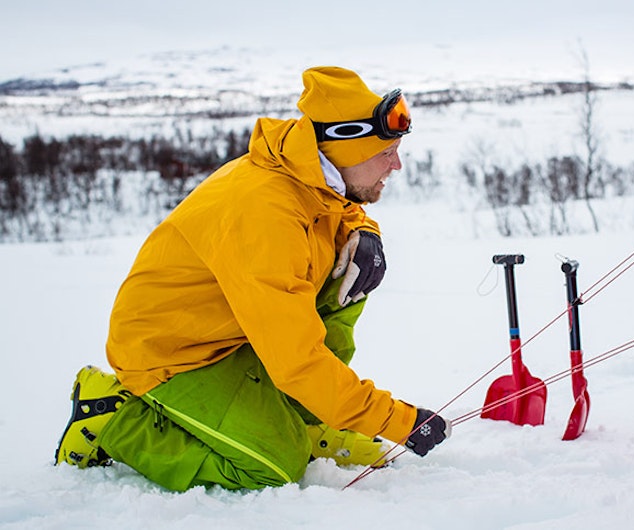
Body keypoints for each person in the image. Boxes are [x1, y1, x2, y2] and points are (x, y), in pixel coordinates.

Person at [53, 66, 451, 491]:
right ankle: (112, 416)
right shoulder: (266, 213)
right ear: (344, 148)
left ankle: (305, 419)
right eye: (385, 153)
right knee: (275, 467)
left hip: (233, 331)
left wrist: (364, 231)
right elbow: (296, 360)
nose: (398, 164)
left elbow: (336, 204)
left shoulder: (308, 171)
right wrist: (398, 421)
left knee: (353, 272)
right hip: (173, 354)